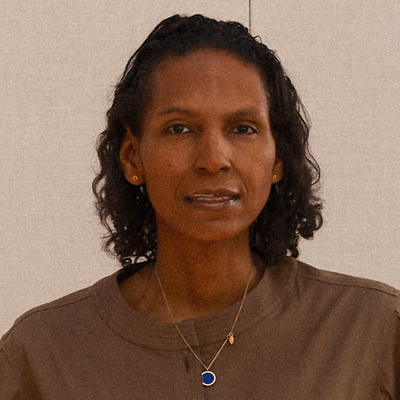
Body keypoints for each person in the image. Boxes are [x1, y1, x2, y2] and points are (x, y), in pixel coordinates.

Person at [1, 14, 399, 399]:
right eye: (180, 128)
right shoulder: (41, 354)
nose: (214, 158)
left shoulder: (370, 333)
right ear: (132, 158)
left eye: (243, 128)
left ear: (277, 159)